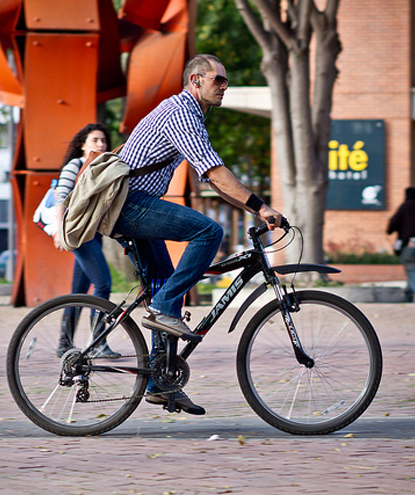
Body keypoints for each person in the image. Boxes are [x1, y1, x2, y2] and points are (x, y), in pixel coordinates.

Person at [111, 54, 283, 415]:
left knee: (167, 293)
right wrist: (261, 206)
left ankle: (161, 383)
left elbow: (214, 180)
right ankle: (161, 308)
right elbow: (216, 171)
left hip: (134, 205)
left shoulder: (190, 115)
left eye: (226, 81)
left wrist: (251, 208)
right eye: (217, 79)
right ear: (195, 80)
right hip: (131, 204)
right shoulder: (182, 112)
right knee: (209, 232)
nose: (224, 86)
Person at [53, 124, 119, 358]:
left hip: (92, 234)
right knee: (103, 284)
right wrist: (61, 231)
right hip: (78, 233)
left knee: (78, 291)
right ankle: (99, 343)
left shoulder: (103, 166)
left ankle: (64, 343)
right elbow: (61, 197)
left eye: (103, 140)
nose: (100, 144)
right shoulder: (76, 165)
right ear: (83, 144)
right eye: (95, 140)